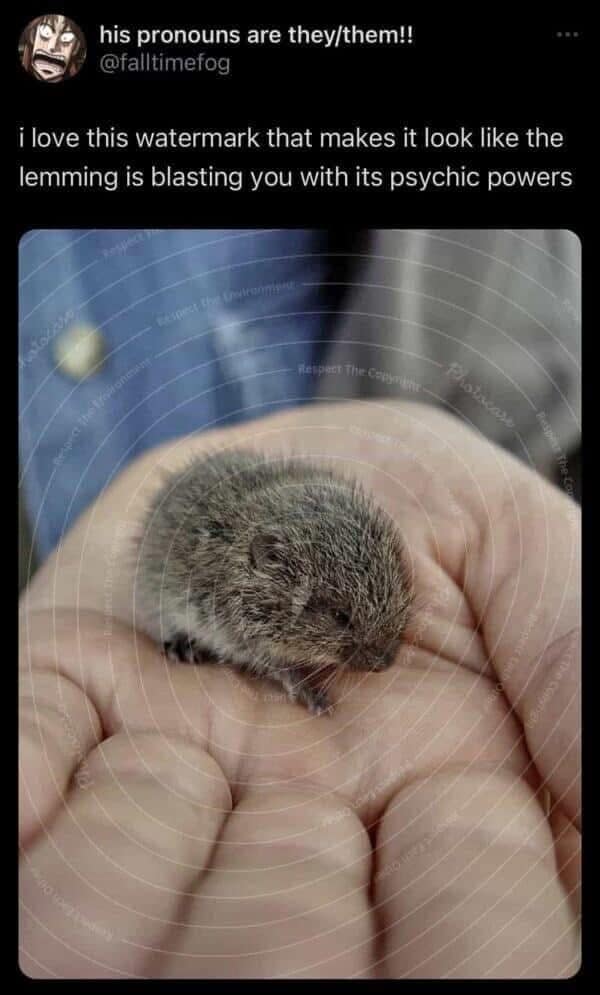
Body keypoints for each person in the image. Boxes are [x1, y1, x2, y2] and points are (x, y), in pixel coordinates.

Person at [19, 401, 580, 978]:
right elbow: (250, 637)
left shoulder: (332, 516)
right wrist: (292, 677)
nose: (378, 659)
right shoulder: (249, 578)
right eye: (341, 622)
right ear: (270, 567)